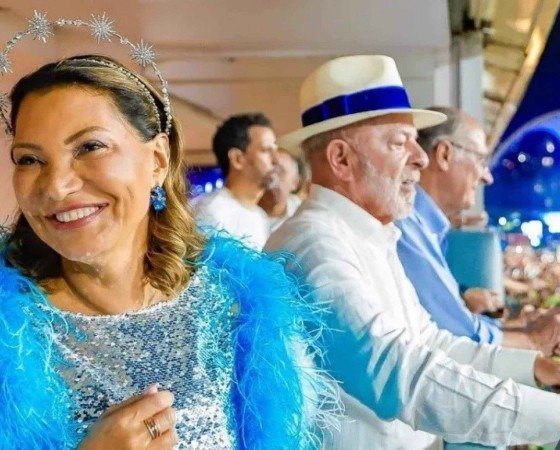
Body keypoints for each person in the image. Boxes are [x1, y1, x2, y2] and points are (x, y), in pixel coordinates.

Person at [266, 54, 560, 450]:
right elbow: (399, 373)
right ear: (341, 159)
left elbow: (429, 342)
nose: (420, 157)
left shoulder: (368, 237)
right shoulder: (314, 246)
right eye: (399, 142)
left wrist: (532, 367)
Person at [0, 44, 334, 449]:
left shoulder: (237, 307)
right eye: (29, 159)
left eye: (89, 147)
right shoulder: (10, 335)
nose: (56, 186)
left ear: (157, 159)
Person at [396, 106, 560, 356]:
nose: (487, 177)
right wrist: (535, 339)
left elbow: (453, 323)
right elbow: (458, 336)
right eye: (481, 160)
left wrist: (524, 327)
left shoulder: (428, 229)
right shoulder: (406, 226)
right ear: (444, 154)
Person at [192, 113, 278, 249]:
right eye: (266, 150)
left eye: (275, 150)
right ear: (237, 159)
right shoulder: (213, 211)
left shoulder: (260, 216)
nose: (276, 160)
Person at [258, 148, 304, 232]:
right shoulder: (242, 210)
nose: (272, 177)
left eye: (279, 171)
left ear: (295, 183)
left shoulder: (301, 214)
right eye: (269, 170)